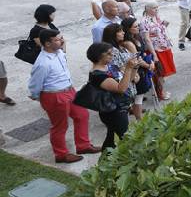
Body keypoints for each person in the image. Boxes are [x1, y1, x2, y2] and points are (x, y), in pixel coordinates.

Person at [28, 29, 100, 163]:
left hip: (69, 90)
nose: (61, 41)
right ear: (47, 44)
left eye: (61, 38)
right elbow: (35, 83)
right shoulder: (43, 63)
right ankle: (61, 154)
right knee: (60, 126)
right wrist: (36, 96)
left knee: (82, 114)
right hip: (54, 95)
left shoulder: (59, 52)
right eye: (57, 39)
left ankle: (83, 145)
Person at [85, 42, 139, 151]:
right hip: (113, 112)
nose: (112, 56)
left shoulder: (109, 67)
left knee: (112, 138)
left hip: (120, 108)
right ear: (99, 56)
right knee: (126, 140)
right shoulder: (97, 75)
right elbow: (121, 88)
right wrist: (128, 69)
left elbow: (129, 81)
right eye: (109, 54)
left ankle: (106, 158)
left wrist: (134, 67)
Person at [120, 18, 155, 120]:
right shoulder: (128, 43)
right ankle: (140, 120)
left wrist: (150, 62)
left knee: (139, 97)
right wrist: (149, 66)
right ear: (128, 29)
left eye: (138, 25)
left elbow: (143, 53)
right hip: (137, 71)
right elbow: (137, 59)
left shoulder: (136, 37)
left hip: (143, 68)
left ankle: (139, 118)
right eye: (135, 27)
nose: (138, 28)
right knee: (138, 97)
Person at [101, 23, 138, 118]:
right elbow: (118, 70)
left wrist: (135, 71)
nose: (123, 32)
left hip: (129, 84)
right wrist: (132, 69)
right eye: (120, 31)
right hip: (121, 88)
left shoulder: (121, 47)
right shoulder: (111, 51)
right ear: (113, 34)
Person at [140, 1, 175, 100]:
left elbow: (160, 30)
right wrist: (154, 54)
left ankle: (161, 91)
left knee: (163, 72)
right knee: (159, 73)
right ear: (147, 9)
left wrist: (165, 24)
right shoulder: (144, 21)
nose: (156, 10)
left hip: (164, 47)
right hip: (155, 49)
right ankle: (160, 93)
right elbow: (146, 39)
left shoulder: (157, 17)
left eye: (157, 8)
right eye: (154, 8)